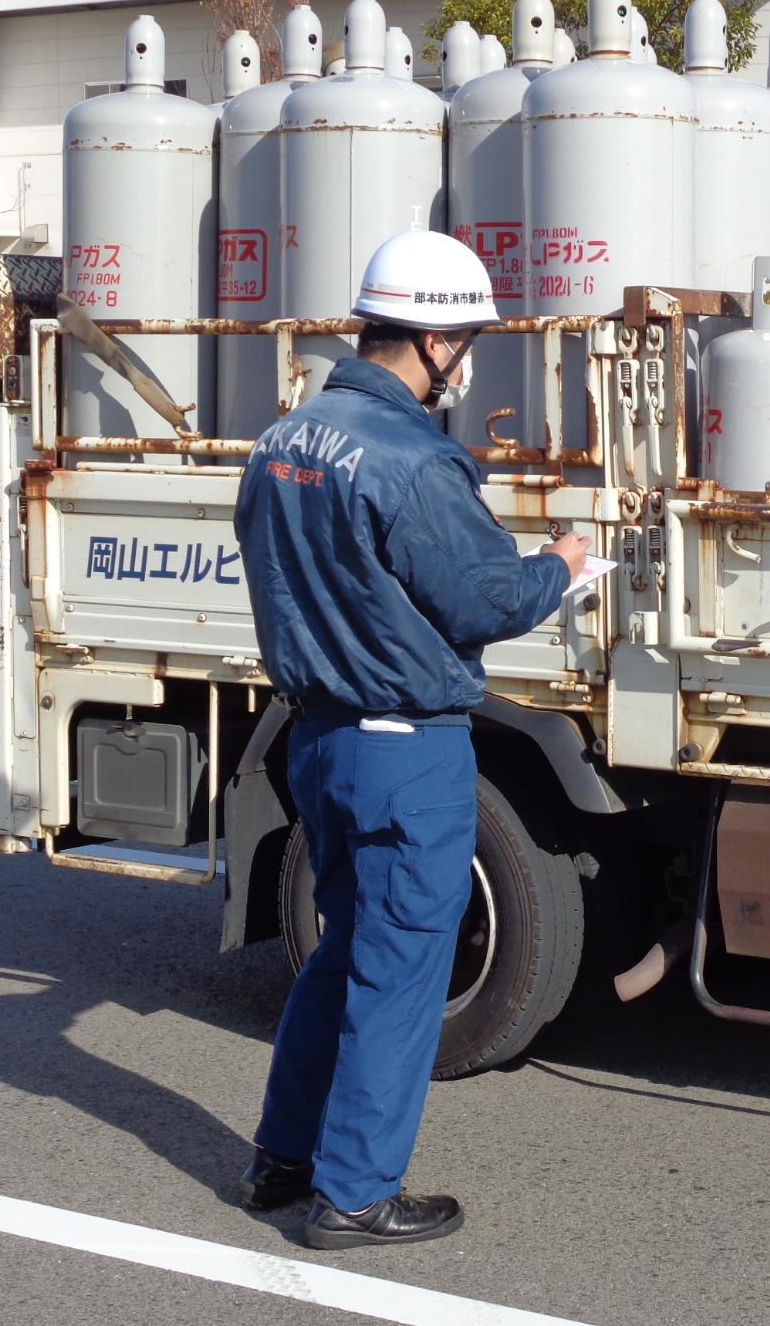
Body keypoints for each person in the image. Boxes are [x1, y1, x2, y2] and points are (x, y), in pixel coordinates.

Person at [231, 229, 589, 1250]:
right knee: (397, 974)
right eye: (465, 338)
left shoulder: (285, 438)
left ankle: (281, 1160)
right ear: (431, 341)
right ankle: (354, 1193)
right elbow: (483, 599)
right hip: (406, 751)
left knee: (342, 954)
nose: (467, 359)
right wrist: (561, 564)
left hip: (317, 741)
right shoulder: (414, 459)